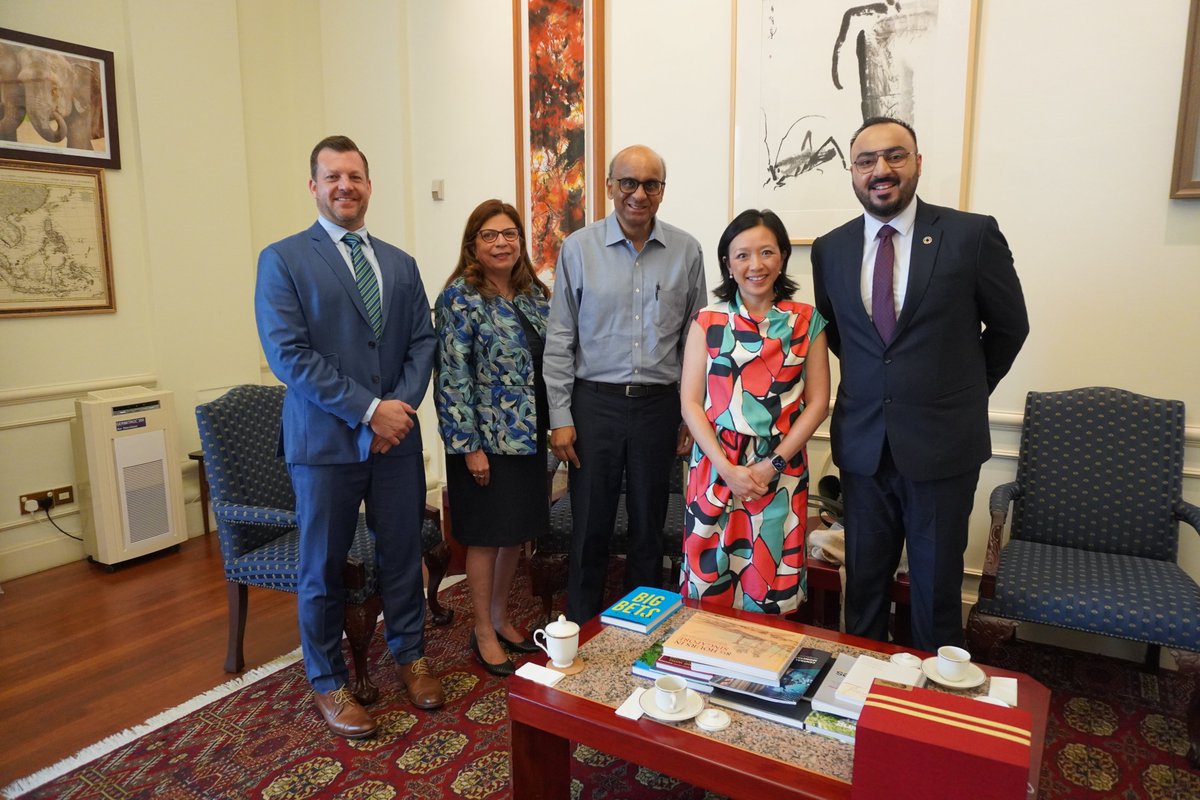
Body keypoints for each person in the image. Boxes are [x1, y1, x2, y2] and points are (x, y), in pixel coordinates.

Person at [811, 116, 1029, 651]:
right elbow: (840, 334)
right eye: (866, 161)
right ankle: (856, 701)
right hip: (864, 448)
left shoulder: (971, 235)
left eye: (895, 156)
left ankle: (931, 713)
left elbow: (1010, 326)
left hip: (943, 448)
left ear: (918, 163)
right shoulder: (830, 249)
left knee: (934, 595)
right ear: (852, 172)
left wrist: (964, 390)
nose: (880, 170)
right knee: (861, 588)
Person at [254, 135, 443, 739]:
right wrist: (368, 411)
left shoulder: (400, 263)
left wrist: (399, 410)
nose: (345, 186)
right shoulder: (282, 259)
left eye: (355, 176)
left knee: (401, 554)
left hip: (397, 443)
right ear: (313, 186)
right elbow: (290, 357)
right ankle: (327, 681)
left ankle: (409, 656)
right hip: (326, 445)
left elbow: (423, 343)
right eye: (332, 177)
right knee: (323, 568)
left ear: (368, 183)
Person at [544, 144, 707, 623]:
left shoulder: (687, 250)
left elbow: (696, 340)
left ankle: (641, 633)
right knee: (589, 528)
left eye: (650, 184)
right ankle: (579, 631)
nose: (639, 194)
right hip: (594, 406)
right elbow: (560, 339)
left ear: (662, 190)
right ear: (610, 187)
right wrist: (560, 418)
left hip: (660, 407)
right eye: (628, 183)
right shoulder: (578, 248)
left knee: (648, 529)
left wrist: (689, 414)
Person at [680, 209, 830, 614]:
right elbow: (691, 402)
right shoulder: (707, 321)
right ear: (727, 263)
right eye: (742, 255)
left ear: (782, 256)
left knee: (770, 587)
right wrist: (726, 468)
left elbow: (817, 402)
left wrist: (772, 466)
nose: (755, 265)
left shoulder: (806, 321)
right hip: (715, 466)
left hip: (780, 471)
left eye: (766, 252)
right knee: (708, 580)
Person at [434, 199, 550, 678]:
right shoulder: (460, 297)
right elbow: (451, 375)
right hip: (483, 442)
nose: (501, 242)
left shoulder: (534, 295)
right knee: (484, 538)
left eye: (510, 234)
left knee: (512, 537)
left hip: (528, 437)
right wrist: (469, 447)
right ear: (472, 244)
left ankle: (501, 617)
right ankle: (482, 628)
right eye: (489, 235)